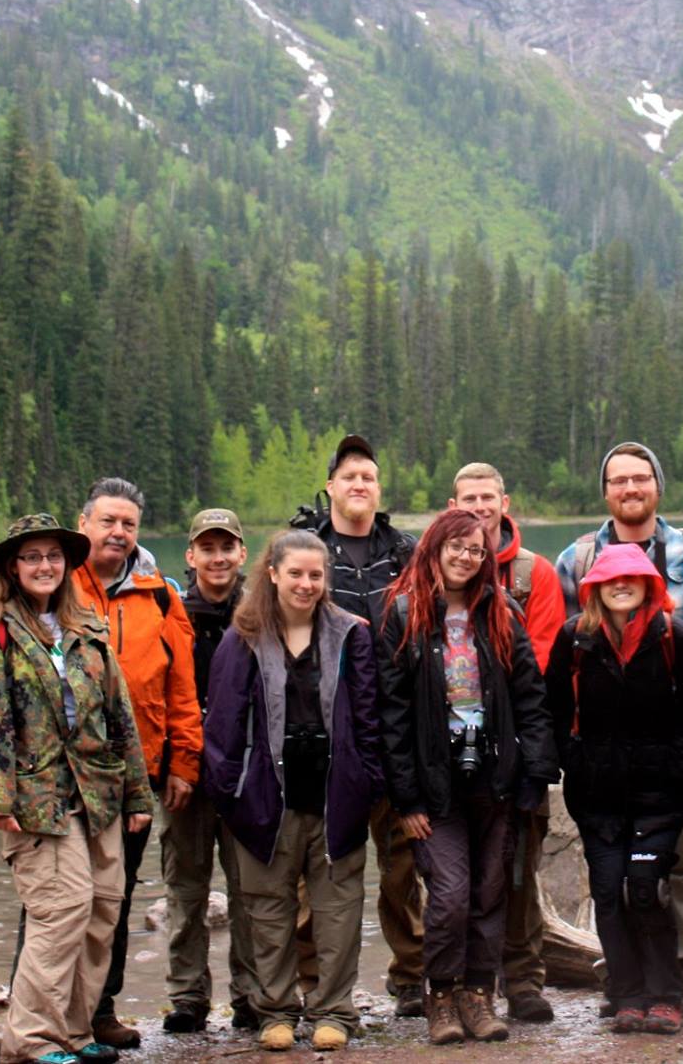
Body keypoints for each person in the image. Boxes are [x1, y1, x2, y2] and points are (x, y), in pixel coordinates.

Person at [0, 514, 155, 1064]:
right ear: (12, 568)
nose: (44, 566)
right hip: (36, 799)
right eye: (32, 557)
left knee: (101, 912)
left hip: (100, 795)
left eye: (53, 556)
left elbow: (121, 715)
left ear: (67, 564)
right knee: (60, 910)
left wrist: (139, 794)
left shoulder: (86, 627)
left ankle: (75, 1031)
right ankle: (29, 1040)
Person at [554, 440, 683, 1011]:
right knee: (611, 880)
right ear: (605, 491)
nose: (630, 489)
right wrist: (570, 754)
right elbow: (565, 658)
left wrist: (660, 653)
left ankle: (680, 974)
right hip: (601, 758)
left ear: (657, 485)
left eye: (640, 478)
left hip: (671, 737)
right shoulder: (577, 559)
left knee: (677, 862)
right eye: (619, 480)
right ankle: (624, 980)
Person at [378, 509, 559, 1046]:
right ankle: (441, 995)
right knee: (451, 893)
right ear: (433, 549)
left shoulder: (501, 610)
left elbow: (530, 696)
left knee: (490, 891)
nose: (464, 557)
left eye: (476, 550)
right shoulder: (404, 613)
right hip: (436, 787)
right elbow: (391, 714)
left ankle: (479, 995)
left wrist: (536, 773)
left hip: (494, 779)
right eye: (455, 547)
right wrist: (405, 797)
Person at [202, 529, 382, 1053]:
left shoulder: (352, 635)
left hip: (335, 795)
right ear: (273, 573)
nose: (306, 584)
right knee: (266, 908)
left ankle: (334, 1010)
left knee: (339, 909)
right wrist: (229, 791)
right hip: (264, 797)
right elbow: (224, 725)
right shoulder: (243, 637)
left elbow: (368, 721)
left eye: (315, 575)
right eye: (296, 574)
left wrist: (368, 782)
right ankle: (276, 1009)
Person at [542, 544, 683, 1035]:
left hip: (660, 793)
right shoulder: (576, 639)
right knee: (607, 892)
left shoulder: (674, 638)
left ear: (648, 585)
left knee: (644, 889)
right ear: (594, 588)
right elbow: (553, 705)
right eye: (610, 580)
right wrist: (569, 759)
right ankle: (626, 994)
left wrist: (678, 763)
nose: (621, 585)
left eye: (632, 578)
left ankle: (665, 995)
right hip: (596, 792)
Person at [65, 478, 200, 1049]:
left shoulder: (160, 595)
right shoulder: (53, 584)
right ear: (84, 524)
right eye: (108, 521)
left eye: (128, 525)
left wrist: (183, 763)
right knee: (56, 899)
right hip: (63, 773)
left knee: (114, 897)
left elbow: (181, 688)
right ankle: (40, 1014)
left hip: (136, 773)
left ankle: (100, 1009)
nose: (118, 533)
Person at [299, 433, 425, 1015]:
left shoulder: (405, 552)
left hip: (398, 729)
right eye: (348, 476)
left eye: (368, 477)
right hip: (328, 735)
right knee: (321, 871)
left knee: (404, 866)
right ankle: (316, 985)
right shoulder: (304, 552)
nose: (358, 484)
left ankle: (410, 978)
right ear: (330, 488)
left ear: (379, 489)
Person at [447, 461, 562, 1023]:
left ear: (504, 501)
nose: (478, 506)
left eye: (487, 497)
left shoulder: (532, 573)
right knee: (449, 874)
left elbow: (539, 663)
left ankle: (522, 979)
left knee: (517, 869)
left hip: (513, 747)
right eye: (467, 497)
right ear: (451, 506)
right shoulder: (433, 571)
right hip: (450, 751)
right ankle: (442, 982)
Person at [160, 507, 260, 1034]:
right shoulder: (170, 611)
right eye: (208, 548)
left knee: (250, 890)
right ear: (191, 555)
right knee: (185, 886)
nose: (218, 557)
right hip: (185, 771)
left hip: (246, 773)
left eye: (227, 548)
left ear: (242, 554)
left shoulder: (260, 609)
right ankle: (188, 996)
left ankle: (249, 995)